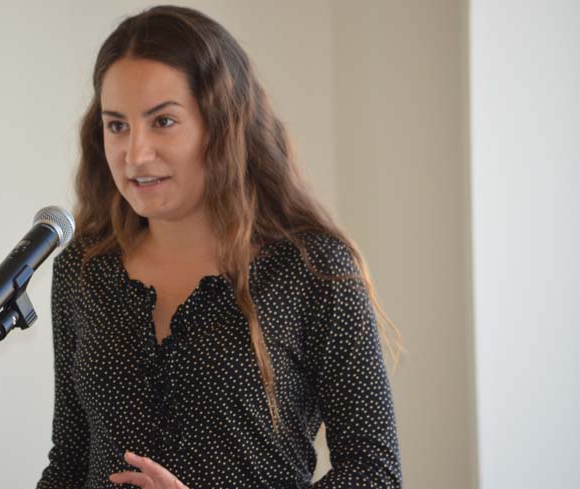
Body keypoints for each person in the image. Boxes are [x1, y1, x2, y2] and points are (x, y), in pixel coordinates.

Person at [37, 5, 402, 489]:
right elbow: (70, 461)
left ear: (223, 125)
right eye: (117, 125)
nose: (135, 154)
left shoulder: (313, 269)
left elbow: (373, 473)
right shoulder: (83, 272)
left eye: (162, 121)